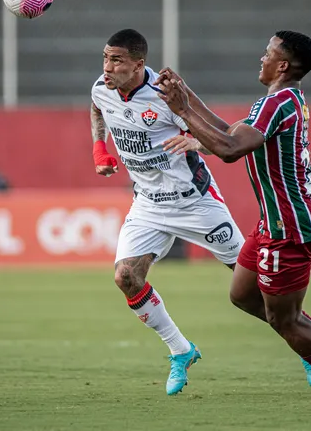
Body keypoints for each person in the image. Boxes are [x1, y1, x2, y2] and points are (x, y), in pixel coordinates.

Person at [156, 30, 311, 399]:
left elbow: (229, 149)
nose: (261, 57)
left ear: (282, 65)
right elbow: (226, 132)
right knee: (241, 293)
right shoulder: (282, 100)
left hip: (289, 227)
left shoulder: (277, 103)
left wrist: (182, 111)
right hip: (274, 223)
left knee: (282, 318)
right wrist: (186, 95)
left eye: (267, 53)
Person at [90, 29, 245, 395]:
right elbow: (97, 107)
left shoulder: (167, 95)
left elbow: (222, 138)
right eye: (105, 58)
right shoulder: (101, 86)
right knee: (126, 277)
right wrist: (100, 147)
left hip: (195, 201)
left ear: (139, 65)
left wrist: (194, 140)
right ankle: (181, 351)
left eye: (116, 61)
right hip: (147, 204)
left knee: (256, 283)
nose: (107, 67)